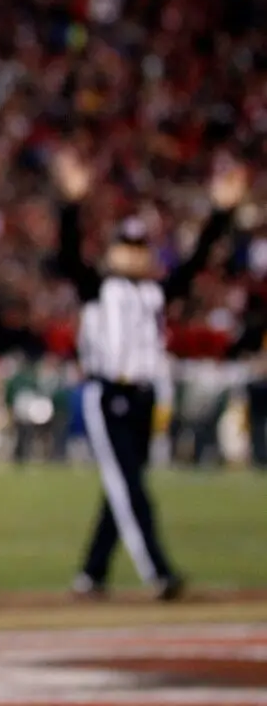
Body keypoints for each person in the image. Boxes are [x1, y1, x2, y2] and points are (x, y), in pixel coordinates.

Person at [51, 148, 246, 601]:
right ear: (114, 249)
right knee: (131, 488)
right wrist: (71, 203)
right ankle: (158, 571)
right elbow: (66, 255)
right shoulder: (97, 287)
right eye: (126, 246)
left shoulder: (155, 293)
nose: (133, 255)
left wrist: (221, 212)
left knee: (123, 487)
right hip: (107, 395)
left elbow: (196, 262)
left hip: (143, 397)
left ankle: (92, 573)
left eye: (139, 248)